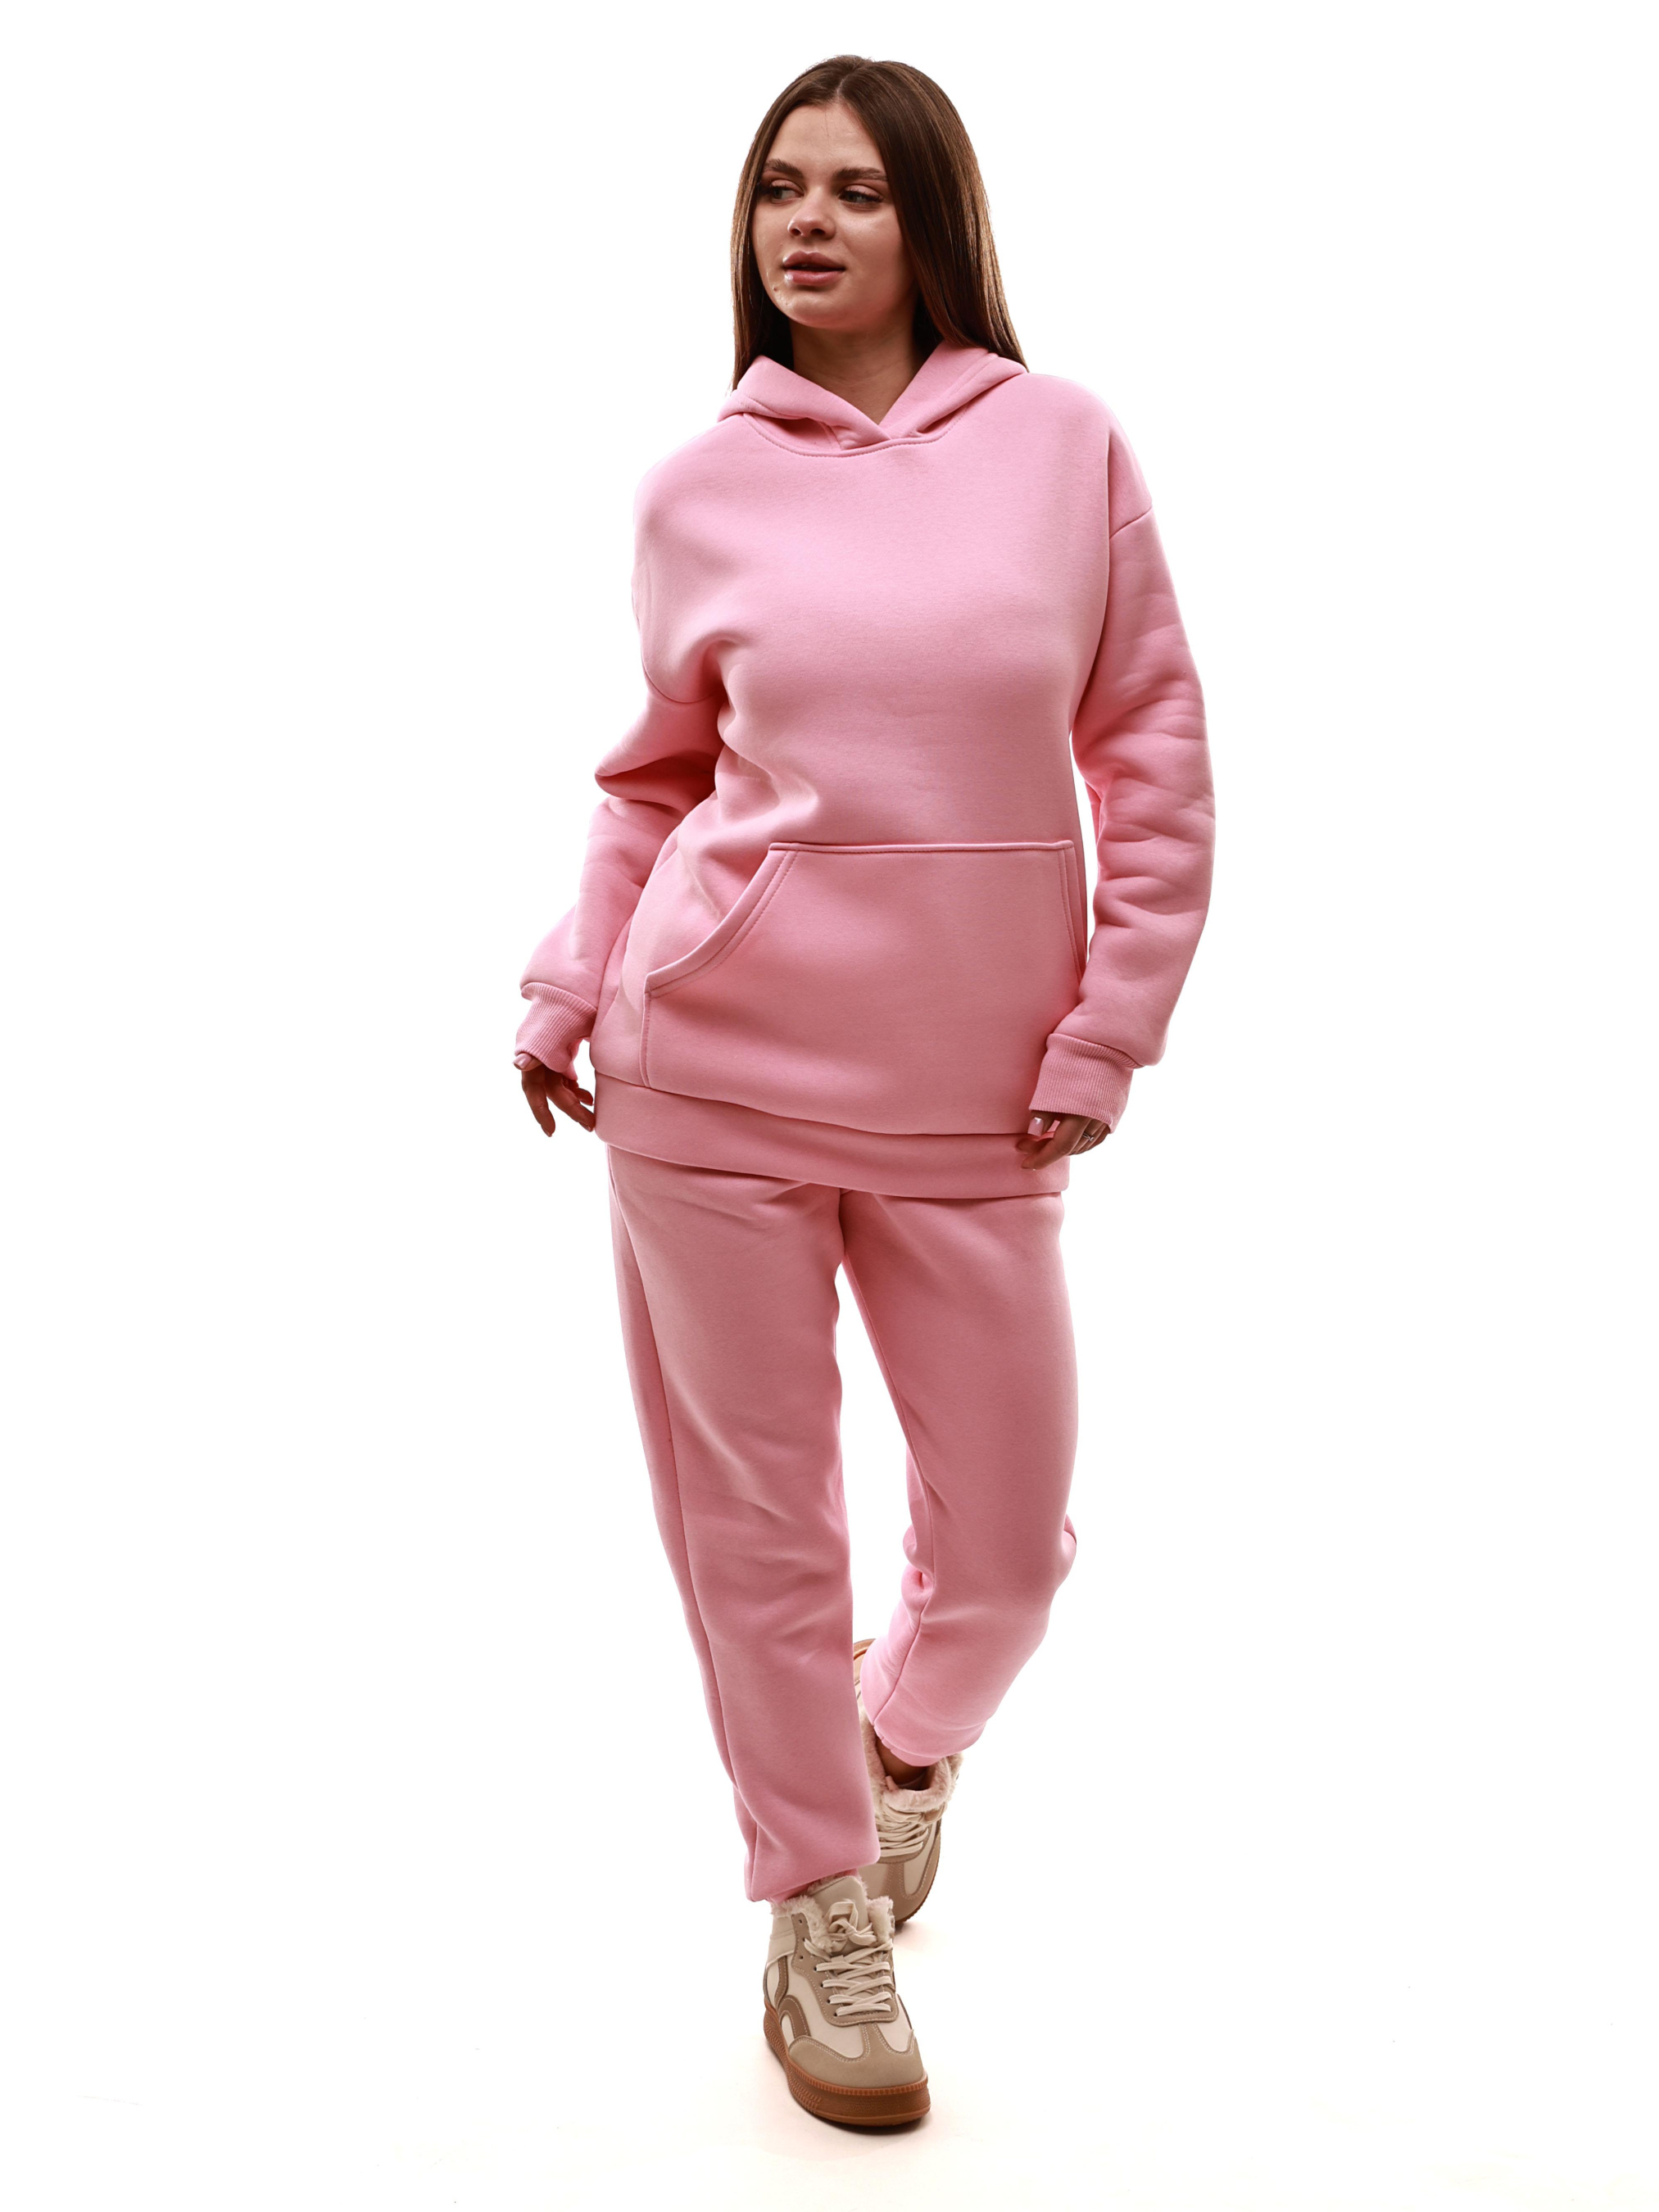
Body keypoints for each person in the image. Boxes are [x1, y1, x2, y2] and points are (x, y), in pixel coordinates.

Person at [514, 54, 1214, 2128]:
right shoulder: (696, 487)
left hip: (978, 1098)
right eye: (776, 192)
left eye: (853, 191)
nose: (805, 226)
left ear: (934, 216)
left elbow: (1152, 754)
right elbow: (656, 778)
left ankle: (898, 1741)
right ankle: (814, 1899)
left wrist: (1106, 1025)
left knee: (1003, 1552)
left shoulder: (1062, 447)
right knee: (759, 1531)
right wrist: (570, 978)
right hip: (705, 1078)